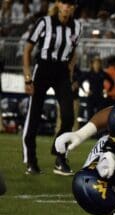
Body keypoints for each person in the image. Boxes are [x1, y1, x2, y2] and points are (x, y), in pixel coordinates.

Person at [22, 0, 81, 175]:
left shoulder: (77, 26)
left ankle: (59, 155)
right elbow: (27, 50)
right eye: (65, 3)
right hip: (43, 69)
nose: (68, 7)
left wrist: (70, 76)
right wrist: (27, 79)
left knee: (69, 117)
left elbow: (74, 53)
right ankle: (31, 161)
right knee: (33, 116)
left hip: (62, 71)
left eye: (71, 4)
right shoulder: (44, 22)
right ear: (58, 4)